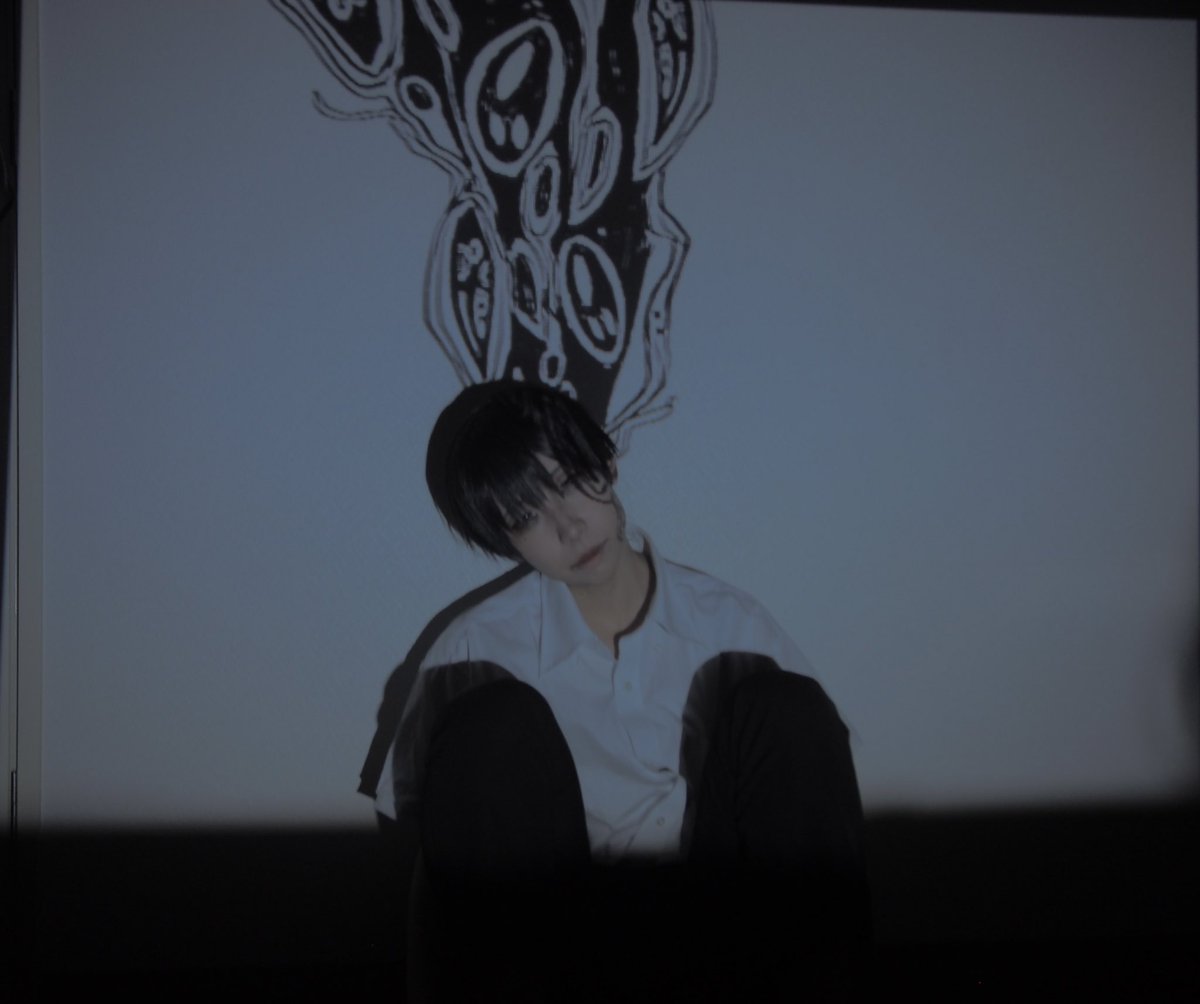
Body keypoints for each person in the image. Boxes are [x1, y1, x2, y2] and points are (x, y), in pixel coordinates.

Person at [375, 380, 869, 1002]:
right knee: (492, 724)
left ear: (607, 464)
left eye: (570, 481)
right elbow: (430, 863)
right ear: (506, 541)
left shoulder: (729, 624)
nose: (568, 526)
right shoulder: (473, 651)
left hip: (726, 936)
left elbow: (813, 808)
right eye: (526, 517)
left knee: (785, 707)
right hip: (553, 949)